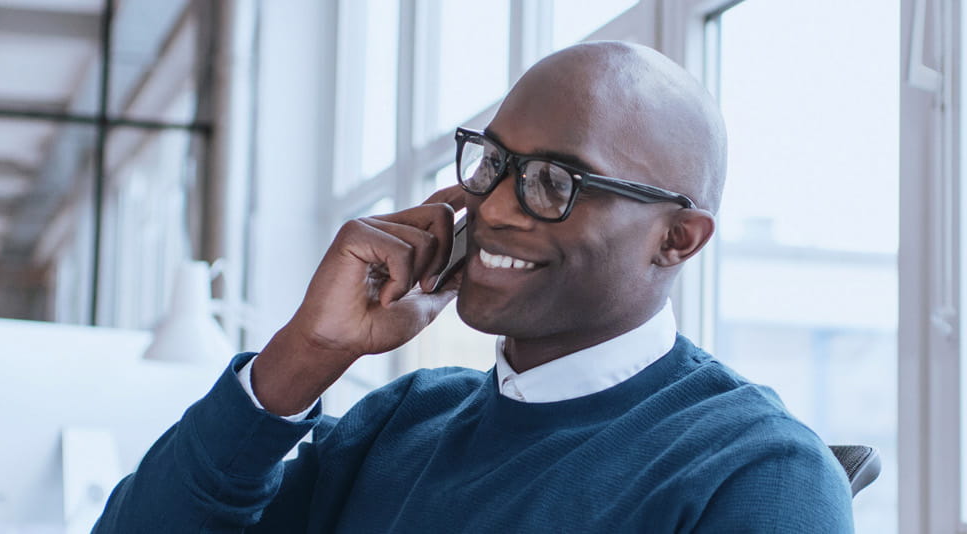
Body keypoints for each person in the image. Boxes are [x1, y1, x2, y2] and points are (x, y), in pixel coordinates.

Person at [93, 41, 853, 532]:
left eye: (555, 180)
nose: (491, 208)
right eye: (493, 164)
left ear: (677, 239)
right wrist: (302, 356)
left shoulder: (758, 474)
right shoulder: (399, 425)